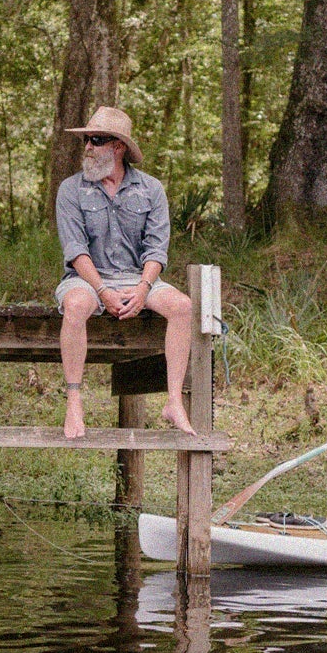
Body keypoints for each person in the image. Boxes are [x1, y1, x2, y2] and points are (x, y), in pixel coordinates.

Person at [54, 106, 199, 439]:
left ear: (118, 147)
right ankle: (74, 400)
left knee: (183, 306)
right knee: (75, 305)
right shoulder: (71, 190)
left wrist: (144, 288)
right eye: (86, 140)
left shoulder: (151, 189)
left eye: (96, 140)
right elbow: (76, 251)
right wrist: (103, 290)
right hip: (87, 278)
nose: (88, 147)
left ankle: (174, 401)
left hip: (140, 278)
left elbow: (156, 249)